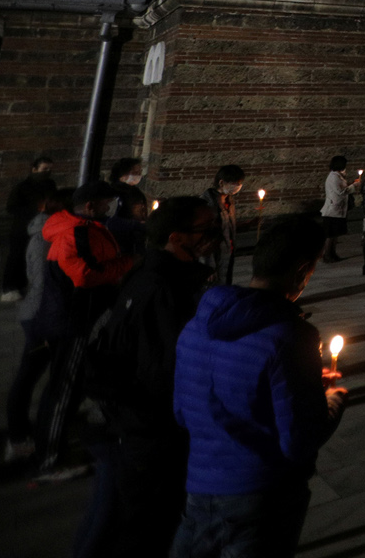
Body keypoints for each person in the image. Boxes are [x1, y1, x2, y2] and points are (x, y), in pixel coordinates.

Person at [170, 213, 345, 558]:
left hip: (200, 486)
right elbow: (299, 439)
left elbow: (181, 412)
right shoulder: (290, 336)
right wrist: (331, 400)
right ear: (301, 271)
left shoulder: (196, 325)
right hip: (261, 495)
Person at [75, 196, 220, 558]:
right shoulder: (162, 289)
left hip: (137, 426)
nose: (212, 236)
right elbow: (166, 372)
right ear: (177, 237)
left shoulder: (153, 274)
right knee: (149, 526)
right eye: (204, 229)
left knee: (120, 516)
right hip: (152, 433)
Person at [33, 180, 136, 483]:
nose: (109, 208)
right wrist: (127, 264)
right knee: (62, 390)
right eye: (105, 203)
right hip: (72, 323)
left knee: (71, 385)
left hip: (79, 320)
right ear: (90, 206)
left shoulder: (83, 227)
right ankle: (48, 461)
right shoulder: (73, 233)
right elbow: (84, 276)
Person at [5, 187, 72, 464]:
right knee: (30, 377)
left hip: (40, 315)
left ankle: (24, 437)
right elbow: (45, 285)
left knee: (32, 376)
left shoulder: (47, 232)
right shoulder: (45, 238)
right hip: (41, 317)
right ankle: (20, 439)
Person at [1, 154, 57, 302]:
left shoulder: (50, 184)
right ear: (34, 169)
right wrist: (34, 210)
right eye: (44, 169)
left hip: (42, 227)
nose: (47, 172)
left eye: (50, 169)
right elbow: (12, 207)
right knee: (17, 257)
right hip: (22, 228)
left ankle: (27, 285)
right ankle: (10, 288)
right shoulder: (22, 187)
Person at [203, 165, 245, 285]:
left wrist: (247, 224)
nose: (237, 187)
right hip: (215, 255)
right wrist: (209, 267)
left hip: (228, 253)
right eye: (234, 183)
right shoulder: (208, 204)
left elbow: (227, 227)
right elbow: (205, 237)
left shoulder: (229, 201)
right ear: (221, 183)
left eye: (239, 184)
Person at [107, 158, 151, 257]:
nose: (139, 174)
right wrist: (136, 224)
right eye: (135, 172)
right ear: (123, 173)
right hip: (123, 239)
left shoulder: (134, 190)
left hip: (136, 236)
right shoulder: (115, 192)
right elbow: (111, 219)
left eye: (140, 171)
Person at [318, 156, 350, 262]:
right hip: (332, 211)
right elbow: (340, 191)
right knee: (330, 235)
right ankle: (327, 255)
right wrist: (353, 186)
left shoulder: (338, 176)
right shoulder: (333, 177)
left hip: (337, 210)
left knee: (335, 234)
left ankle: (332, 253)